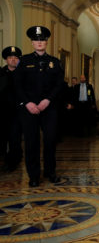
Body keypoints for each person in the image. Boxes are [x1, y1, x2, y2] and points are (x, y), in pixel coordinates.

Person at [14, 26, 64, 187]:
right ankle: (33, 176)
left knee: (50, 141)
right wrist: (27, 103)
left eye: (42, 39)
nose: (39, 42)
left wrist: (47, 100)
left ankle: (50, 172)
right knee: (31, 142)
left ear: (46, 42)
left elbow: (58, 85)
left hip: (49, 108)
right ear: (32, 42)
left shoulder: (54, 62)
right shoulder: (24, 61)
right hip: (29, 109)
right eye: (36, 40)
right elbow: (17, 85)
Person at [0, 46, 23, 172]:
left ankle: (13, 161)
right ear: (6, 59)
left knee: (15, 138)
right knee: (2, 138)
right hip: (3, 112)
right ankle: (4, 159)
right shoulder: (1, 73)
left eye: (15, 58)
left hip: (17, 113)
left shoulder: (23, 73)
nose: (13, 60)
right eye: (10, 58)